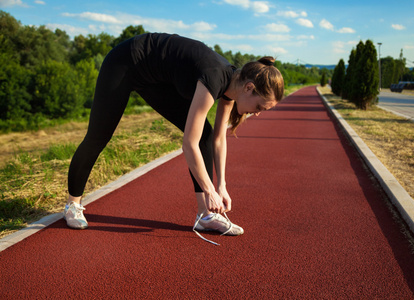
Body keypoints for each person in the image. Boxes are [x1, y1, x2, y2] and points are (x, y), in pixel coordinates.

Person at [63, 32, 284, 242]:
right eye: (260, 107)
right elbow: (188, 144)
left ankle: (205, 216)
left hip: (154, 79)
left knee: (205, 135)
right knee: (98, 137)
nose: (257, 113)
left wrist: (221, 187)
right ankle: (73, 204)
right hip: (126, 61)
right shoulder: (215, 77)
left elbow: (218, 139)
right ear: (249, 87)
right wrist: (209, 189)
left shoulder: (232, 89)